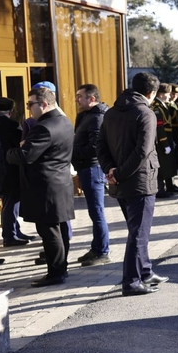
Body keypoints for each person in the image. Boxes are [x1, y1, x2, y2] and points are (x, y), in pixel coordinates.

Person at [97, 72, 169, 295]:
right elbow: (143, 152)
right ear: (152, 93)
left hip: (121, 181)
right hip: (139, 182)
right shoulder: (145, 113)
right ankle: (131, 281)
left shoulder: (111, 112)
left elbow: (100, 146)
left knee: (136, 230)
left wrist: (111, 170)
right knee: (138, 234)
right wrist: (118, 173)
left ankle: (145, 271)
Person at [6, 87, 75, 287]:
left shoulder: (44, 126)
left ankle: (56, 273)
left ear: (44, 105)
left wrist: (12, 151)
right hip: (60, 184)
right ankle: (61, 269)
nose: (28, 109)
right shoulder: (64, 121)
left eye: (30, 104)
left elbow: (25, 156)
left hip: (46, 187)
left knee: (49, 231)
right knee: (60, 229)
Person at [72, 84, 111, 266]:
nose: (76, 99)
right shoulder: (86, 115)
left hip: (93, 168)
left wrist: (72, 152)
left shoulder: (97, 117)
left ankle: (102, 252)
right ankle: (96, 248)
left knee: (97, 212)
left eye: (80, 96)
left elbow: (95, 148)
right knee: (93, 211)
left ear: (92, 98)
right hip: (85, 168)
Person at [0, 98, 35, 246]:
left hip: (2, 170)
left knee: (8, 202)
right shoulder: (12, 126)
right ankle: (10, 235)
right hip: (9, 169)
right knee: (11, 202)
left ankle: (15, 230)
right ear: (11, 111)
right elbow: (22, 147)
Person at [152, 84, 177, 198]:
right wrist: (165, 143)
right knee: (161, 165)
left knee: (166, 164)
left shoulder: (163, 105)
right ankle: (160, 189)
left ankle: (167, 186)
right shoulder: (157, 108)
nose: (169, 96)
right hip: (161, 139)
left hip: (167, 136)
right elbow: (160, 127)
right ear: (161, 94)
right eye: (167, 94)